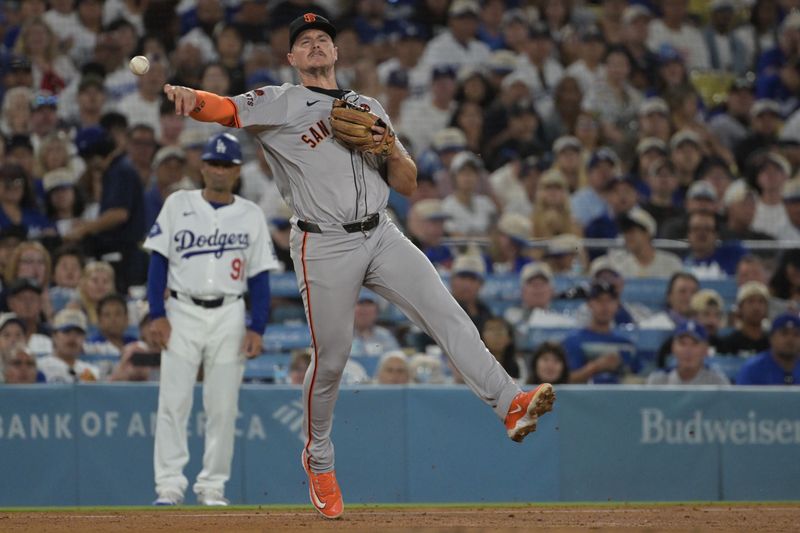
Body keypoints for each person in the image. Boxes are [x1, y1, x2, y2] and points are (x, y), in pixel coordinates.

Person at [163, 13, 556, 519]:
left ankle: (510, 405)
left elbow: (409, 183)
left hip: (382, 230)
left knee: (447, 313)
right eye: (304, 42)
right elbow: (223, 109)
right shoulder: (280, 100)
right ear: (292, 59)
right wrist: (190, 99)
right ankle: (319, 458)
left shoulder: (367, 107)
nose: (315, 45)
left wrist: (389, 144)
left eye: (322, 38)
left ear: (336, 52)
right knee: (332, 359)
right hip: (323, 244)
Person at [143, 132, 278, 507]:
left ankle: (212, 486)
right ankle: (169, 484)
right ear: (202, 167)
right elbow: (158, 262)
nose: (220, 170)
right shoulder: (177, 203)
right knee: (174, 400)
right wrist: (157, 314)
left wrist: (258, 326)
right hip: (182, 310)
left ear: (237, 171)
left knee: (222, 405)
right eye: (214, 163)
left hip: (230, 313)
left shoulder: (250, 214)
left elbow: (260, 277)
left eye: (227, 164)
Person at [563, 280, 637, 384]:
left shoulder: (626, 344)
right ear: (589, 304)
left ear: (617, 305)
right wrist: (597, 367)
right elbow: (565, 381)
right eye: (599, 300)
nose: (605, 306)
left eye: (610, 300)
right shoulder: (573, 342)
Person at [646, 320, 730, 386]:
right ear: (673, 347)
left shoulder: (717, 383)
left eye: (695, 344)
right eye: (682, 343)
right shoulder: (658, 381)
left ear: (705, 349)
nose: (688, 350)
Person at [736, 313, 800, 385]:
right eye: (784, 333)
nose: (790, 339)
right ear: (771, 338)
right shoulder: (753, 369)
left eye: (796, 334)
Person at [37, 309, 98, 383]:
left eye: (78, 333)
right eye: (67, 332)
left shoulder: (91, 371)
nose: (72, 338)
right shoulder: (39, 367)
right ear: (54, 336)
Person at [717, 281, 771, 357]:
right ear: (740, 308)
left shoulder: (774, 343)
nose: (756, 307)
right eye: (751, 301)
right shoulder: (728, 343)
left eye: (761, 302)